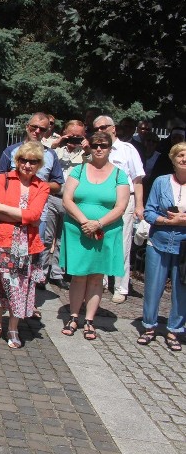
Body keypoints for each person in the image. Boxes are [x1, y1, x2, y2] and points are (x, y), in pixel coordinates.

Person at [59, 131, 129, 341]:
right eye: (96, 145)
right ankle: (73, 316)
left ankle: (89, 320)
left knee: (97, 277)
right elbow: (67, 199)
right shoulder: (78, 170)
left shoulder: (119, 174)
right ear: (89, 146)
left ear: (110, 148)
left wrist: (97, 224)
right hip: (77, 229)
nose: (99, 149)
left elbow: (121, 206)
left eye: (104, 145)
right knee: (78, 276)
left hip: (105, 231)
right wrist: (84, 222)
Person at [0, 142, 50, 349]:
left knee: (19, 287)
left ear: (39, 164)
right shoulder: (3, 179)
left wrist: (6, 209)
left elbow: (35, 214)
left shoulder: (42, 186)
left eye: (33, 161)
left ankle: (13, 327)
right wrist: (24, 215)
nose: (27, 165)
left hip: (25, 244)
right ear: (16, 160)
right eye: (23, 160)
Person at [0, 112, 65, 303]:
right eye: (34, 127)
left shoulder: (50, 155)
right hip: (9, 213)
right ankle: (6, 297)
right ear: (27, 126)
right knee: (6, 255)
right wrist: (21, 183)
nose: (37, 131)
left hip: (36, 215)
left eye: (42, 128)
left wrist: (36, 186)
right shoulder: (11, 150)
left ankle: (27, 299)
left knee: (32, 256)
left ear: (47, 130)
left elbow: (58, 184)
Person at [138, 142, 186, 351]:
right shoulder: (161, 182)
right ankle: (149, 327)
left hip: (184, 247)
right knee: (153, 288)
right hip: (159, 241)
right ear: (173, 159)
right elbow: (148, 212)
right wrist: (168, 222)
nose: (184, 159)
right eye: (181, 155)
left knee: (181, 289)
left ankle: (175, 330)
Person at [92, 116, 144, 303]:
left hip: (125, 199)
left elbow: (137, 180)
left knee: (122, 244)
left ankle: (120, 287)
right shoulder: (95, 150)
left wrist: (139, 205)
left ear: (114, 129)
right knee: (101, 241)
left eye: (104, 127)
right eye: (96, 128)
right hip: (103, 201)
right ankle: (102, 281)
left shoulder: (127, 150)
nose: (101, 130)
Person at [43, 120, 92, 291]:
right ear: (64, 132)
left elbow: (92, 167)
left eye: (79, 136)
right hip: (51, 197)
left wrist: (87, 149)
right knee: (46, 238)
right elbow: (39, 154)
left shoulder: (86, 152)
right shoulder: (54, 147)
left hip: (72, 201)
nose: (74, 140)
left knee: (63, 239)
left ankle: (57, 273)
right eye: (71, 135)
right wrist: (57, 142)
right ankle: (41, 273)